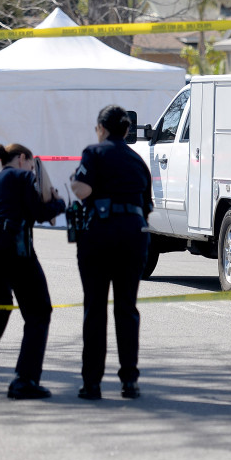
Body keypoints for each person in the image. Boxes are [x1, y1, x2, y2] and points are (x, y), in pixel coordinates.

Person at [0, 143, 65, 399]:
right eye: (31, 164)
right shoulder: (24, 177)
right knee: (39, 313)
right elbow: (40, 213)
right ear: (22, 159)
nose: (33, 170)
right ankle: (25, 380)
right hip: (14, 249)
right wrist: (59, 202)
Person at [69, 105, 152, 400]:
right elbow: (147, 205)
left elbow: (81, 189)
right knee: (126, 308)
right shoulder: (137, 160)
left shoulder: (94, 151)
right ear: (127, 130)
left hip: (100, 234)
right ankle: (130, 381)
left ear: (101, 129)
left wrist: (74, 181)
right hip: (134, 234)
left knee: (95, 308)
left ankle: (92, 383)